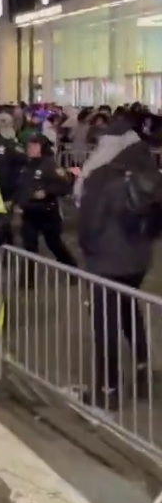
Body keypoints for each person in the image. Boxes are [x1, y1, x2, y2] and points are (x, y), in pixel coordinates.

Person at [75, 113, 162, 407]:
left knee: (105, 323)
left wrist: (88, 250)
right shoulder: (150, 170)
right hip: (138, 260)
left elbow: (87, 224)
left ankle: (108, 390)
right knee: (129, 309)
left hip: (106, 261)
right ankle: (141, 370)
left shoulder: (100, 175)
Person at [15, 134, 77, 266]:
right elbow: (22, 186)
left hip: (47, 212)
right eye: (29, 146)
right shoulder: (27, 165)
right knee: (29, 245)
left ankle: (71, 267)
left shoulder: (50, 165)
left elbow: (63, 186)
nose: (30, 149)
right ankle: (26, 279)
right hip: (30, 212)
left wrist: (47, 192)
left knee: (54, 243)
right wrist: (18, 202)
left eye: (34, 146)